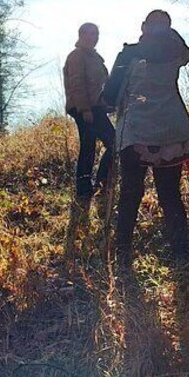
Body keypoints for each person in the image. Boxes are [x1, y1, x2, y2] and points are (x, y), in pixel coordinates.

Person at [102, 10, 189, 286]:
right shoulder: (175, 52)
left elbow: (109, 97)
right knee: (170, 196)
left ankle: (122, 259)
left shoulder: (129, 54)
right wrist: (167, 34)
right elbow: (187, 52)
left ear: (143, 27)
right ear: (169, 29)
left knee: (131, 195)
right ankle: (182, 258)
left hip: (136, 133)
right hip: (172, 133)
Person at [63, 22, 115, 251]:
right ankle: (88, 186)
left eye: (97, 33)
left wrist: (108, 104)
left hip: (96, 107)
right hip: (85, 108)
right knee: (97, 145)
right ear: (81, 35)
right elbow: (76, 84)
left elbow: (102, 84)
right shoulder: (76, 56)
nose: (94, 37)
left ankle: (96, 183)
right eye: (90, 33)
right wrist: (84, 109)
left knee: (108, 144)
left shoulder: (95, 57)